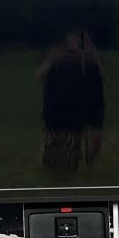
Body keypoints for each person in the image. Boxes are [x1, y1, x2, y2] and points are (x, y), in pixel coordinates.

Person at [37, 27, 105, 176]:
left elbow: (100, 78)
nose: (78, 42)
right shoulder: (59, 56)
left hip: (87, 104)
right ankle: (58, 166)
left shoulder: (90, 58)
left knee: (89, 140)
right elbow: (40, 75)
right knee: (62, 142)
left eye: (83, 39)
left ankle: (87, 167)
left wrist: (92, 56)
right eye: (74, 38)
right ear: (68, 39)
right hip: (62, 105)